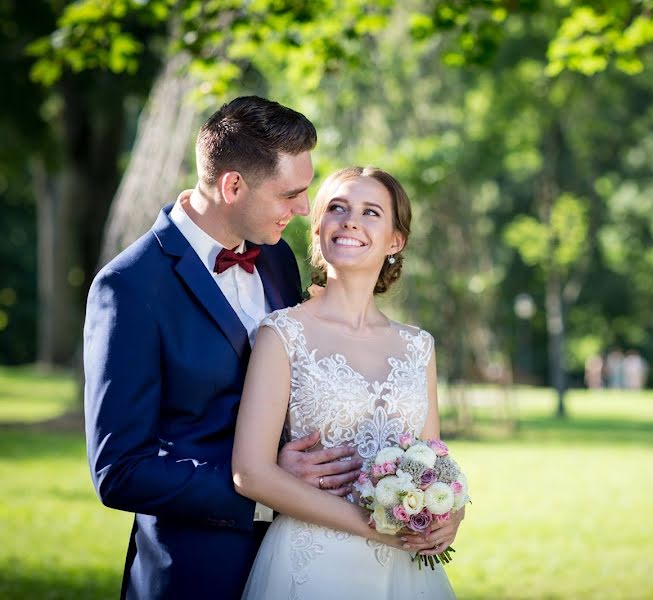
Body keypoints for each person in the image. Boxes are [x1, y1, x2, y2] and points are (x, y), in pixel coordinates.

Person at [83, 97, 364, 599]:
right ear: (233, 185)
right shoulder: (129, 287)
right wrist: (262, 485)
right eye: (290, 194)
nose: (304, 209)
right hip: (195, 568)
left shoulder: (277, 259)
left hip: (303, 560)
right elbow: (119, 470)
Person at [233, 166, 459, 599]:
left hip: (406, 571)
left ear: (396, 240)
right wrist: (378, 530)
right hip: (312, 562)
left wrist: (451, 515)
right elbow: (251, 474)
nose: (351, 220)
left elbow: (435, 463)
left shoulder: (418, 346)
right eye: (337, 208)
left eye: (371, 211)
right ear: (318, 229)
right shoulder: (282, 334)